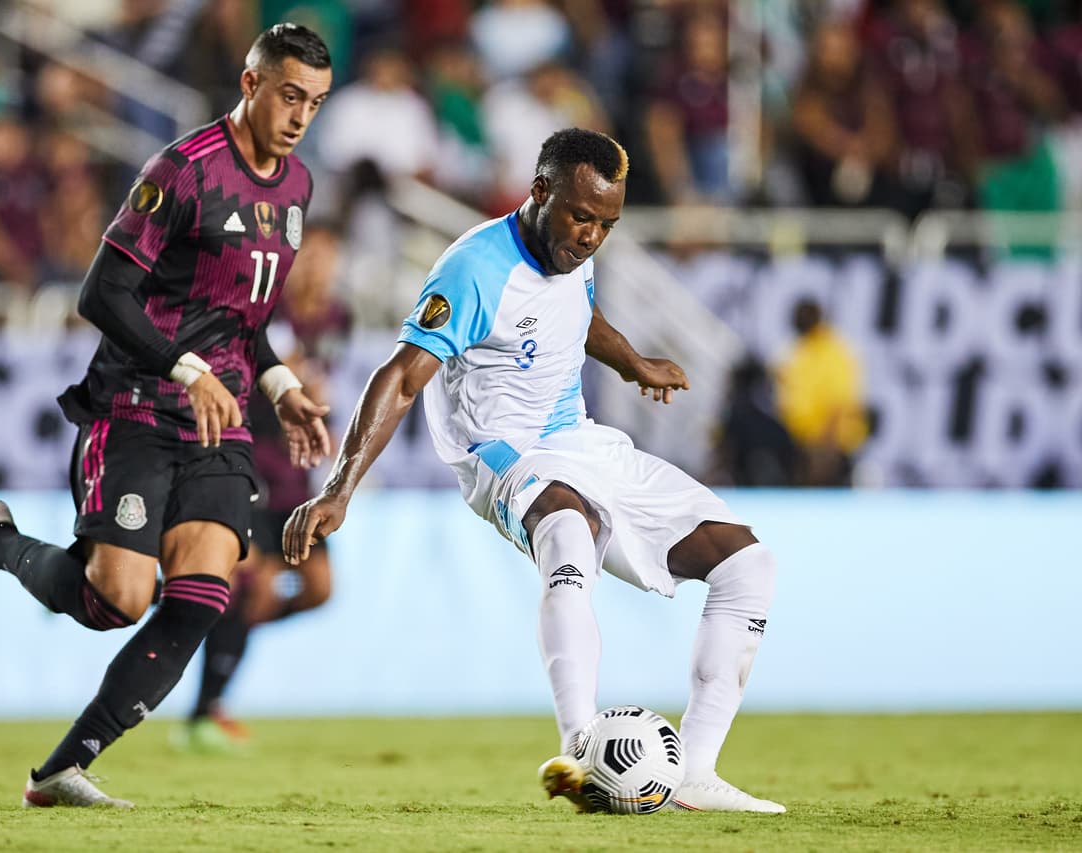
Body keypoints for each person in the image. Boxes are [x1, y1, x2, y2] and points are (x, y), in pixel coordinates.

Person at [283, 128, 786, 813]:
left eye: (607, 224)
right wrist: (340, 489)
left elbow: (574, 311)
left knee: (748, 566)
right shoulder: (475, 267)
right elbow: (400, 377)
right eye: (583, 218)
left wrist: (631, 360)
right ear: (540, 191)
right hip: (497, 452)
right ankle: (582, 750)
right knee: (570, 533)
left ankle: (694, 770)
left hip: (574, 438)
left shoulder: (572, 247)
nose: (592, 237)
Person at [0, 23, 335, 808]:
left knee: (206, 595)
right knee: (117, 601)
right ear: (250, 85)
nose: (301, 115)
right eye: (289, 95)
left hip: (222, 423)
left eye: (314, 101)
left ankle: (61, 771)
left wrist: (279, 388)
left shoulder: (298, 190)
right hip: (136, 406)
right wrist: (186, 366)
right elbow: (99, 293)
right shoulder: (183, 170)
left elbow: (244, 318)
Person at [176, 222, 350, 753]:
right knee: (253, 584)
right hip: (254, 464)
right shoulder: (267, 312)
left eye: (328, 258)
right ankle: (205, 711)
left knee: (319, 589)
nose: (320, 268)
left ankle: (218, 630)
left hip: (298, 477)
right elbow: (248, 374)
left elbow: (325, 383)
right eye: (312, 258)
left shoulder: (339, 318)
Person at [774, 299, 868, 487]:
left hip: (828, 447)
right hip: (804, 445)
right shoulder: (802, 348)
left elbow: (838, 402)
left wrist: (826, 449)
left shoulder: (832, 351)